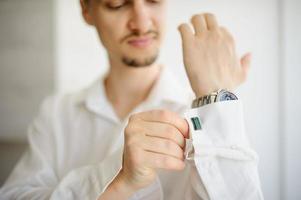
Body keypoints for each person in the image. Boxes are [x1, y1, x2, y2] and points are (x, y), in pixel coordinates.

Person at [0, 0, 264, 199]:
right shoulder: (57, 113)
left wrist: (216, 102)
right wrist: (117, 180)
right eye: (117, 4)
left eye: (152, 0)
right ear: (86, 9)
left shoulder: (207, 115)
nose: (141, 23)